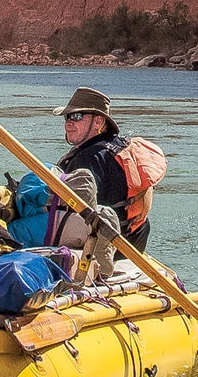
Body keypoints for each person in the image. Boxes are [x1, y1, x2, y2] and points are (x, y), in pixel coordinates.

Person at [53, 86, 155, 252]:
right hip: (133, 242)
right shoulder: (119, 147)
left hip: (105, 249)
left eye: (77, 116)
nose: (69, 122)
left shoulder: (89, 158)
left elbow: (67, 213)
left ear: (99, 122)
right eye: (67, 117)